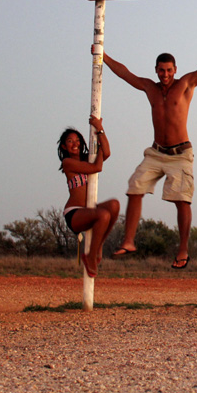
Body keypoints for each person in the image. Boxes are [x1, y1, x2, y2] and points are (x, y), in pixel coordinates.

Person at [102, 30, 197, 268]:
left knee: (181, 200)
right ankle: (128, 240)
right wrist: (103, 55)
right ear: (156, 70)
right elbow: (125, 73)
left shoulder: (186, 83)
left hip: (180, 154)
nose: (165, 74)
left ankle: (183, 250)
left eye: (169, 70)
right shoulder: (150, 88)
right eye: (161, 70)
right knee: (135, 187)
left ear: (175, 70)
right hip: (156, 152)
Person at [58, 116, 120, 278]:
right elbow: (97, 167)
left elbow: (107, 152)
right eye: (70, 141)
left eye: (77, 140)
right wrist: (98, 149)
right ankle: (90, 255)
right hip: (75, 213)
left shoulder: (87, 158)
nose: (75, 144)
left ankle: (98, 247)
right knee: (103, 215)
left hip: (89, 210)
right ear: (64, 146)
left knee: (114, 205)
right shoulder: (67, 163)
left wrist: (99, 128)